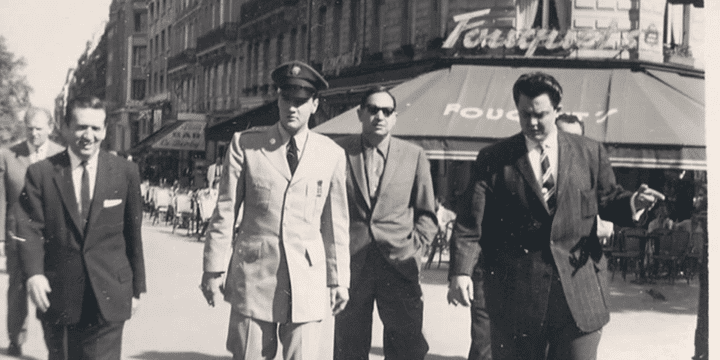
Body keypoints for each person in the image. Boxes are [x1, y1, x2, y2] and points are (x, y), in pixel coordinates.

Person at [447, 72, 665, 360]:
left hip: (578, 293)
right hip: (517, 298)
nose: (533, 123)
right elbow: (469, 223)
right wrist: (461, 272)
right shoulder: (494, 159)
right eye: (525, 115)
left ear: (558, 111)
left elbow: (609, 199)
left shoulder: (589, 152)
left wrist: (633, 203)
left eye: (541, 114)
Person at [200, 60, 350, 360]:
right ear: (277, 100)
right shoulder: (247, 145)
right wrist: (213, 269)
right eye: (286, 99)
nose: (292, 108)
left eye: (301, 101)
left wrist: (339, 279)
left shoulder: (330, 154)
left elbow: (336, 224)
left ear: (314, 104)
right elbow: (225, 210)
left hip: (307, 278)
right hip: (255, 275)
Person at [18, 96, 146, 360]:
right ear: (65, 128)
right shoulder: (41, 174)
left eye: (96, 128)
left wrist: (136, 288)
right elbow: (30, 229)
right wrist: (34, 274)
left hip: (109, 293)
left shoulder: (125, 172)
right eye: (81, 127)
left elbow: (133, 235)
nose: (89, 136)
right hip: (59, 292)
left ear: (105, 130)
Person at [333, 87, 437, 360]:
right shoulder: (339, 151)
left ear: (394, 117)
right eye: (372, 109)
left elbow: (427, 212)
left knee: (406, 346)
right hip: (354, 264)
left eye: (386, 111)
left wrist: (415, 248)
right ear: (360, 113)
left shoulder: (414, 155)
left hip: (399, 265)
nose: (379, 116)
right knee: (349, 348)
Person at [0, 107, 64, 356]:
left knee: (53, 290)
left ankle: (54, 343)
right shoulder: (8, 156)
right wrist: (1, 237)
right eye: (30, 128)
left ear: (50, 127)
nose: (34, 133)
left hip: (54, 236)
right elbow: (2, 199)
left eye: (39, 128)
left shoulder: (61, 155)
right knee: (17, 290)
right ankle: (16, 338)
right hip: (18, 235)